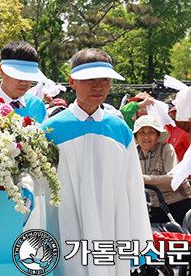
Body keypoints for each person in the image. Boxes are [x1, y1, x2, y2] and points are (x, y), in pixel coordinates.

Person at [39, 48, 152, 275]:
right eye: (89, 79)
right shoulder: (50, 129)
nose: (98, 86)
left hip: (112, 224)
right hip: (65, 222)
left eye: (105, 80)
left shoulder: (120, 129)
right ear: (72, 82)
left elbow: (134, 188)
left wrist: (139, 242)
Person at [134, 115, 191, 225]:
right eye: (142, 132)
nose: (146, 136)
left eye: (151, 132)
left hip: (180, 202)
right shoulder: (134, 152)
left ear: (158, 135)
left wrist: (143, 179)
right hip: (156, 205)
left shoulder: (166, 149)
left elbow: (173, 179)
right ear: (136, 136)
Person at [0, 40, 48, 123]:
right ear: (1, 70)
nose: (23, 82)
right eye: (17, 75)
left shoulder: (37, 105)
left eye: (29, 75)